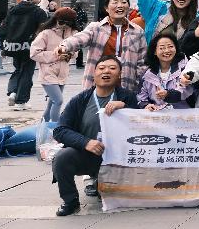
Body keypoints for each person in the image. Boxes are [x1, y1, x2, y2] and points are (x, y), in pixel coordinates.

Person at [52, 56, 153, 216]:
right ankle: (70, 201)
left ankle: (102, 184)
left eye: (112, 68)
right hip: (89, 154)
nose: (106, 71)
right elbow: (60, 130)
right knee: (62, 157)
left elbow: (144, 125)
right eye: (101, 68)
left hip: (119, 158)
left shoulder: (128, 97)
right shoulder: (80, 100)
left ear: (119, 75)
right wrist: (86, 142)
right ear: (94, 73)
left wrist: (126, 107)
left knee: (107, 195)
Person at [61, 0, 148, 94]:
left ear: (128, 7)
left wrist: (138, 86)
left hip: (125, 87)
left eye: (123, 2)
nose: (120, 5)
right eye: (115, 2)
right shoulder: (96, 28)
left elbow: (142, 62)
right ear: (106, 8)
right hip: (97, 86)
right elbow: (81, 38)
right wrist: (65, 45)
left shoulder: (137, 31)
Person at [0, 0, 49, 110]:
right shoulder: (38, 12)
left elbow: (4, 28)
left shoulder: (13, 10)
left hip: (13, 46)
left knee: (17, 69)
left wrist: (3, 46)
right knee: (27, 72)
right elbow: (45, 28)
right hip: (30, 46)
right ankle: (21, 101)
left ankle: (13, 92)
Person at [29, 7, 77, 121]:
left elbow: (76, 52)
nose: (64, 25)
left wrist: (70, 55)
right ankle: (56, 127)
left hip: (62, 73)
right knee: (58, 101)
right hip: (48, 73)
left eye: (68, 23)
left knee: (52, 103)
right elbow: (34, 53)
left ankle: (43, 126)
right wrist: (56, 55)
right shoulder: (46, 33)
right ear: (55, 19)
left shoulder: (73, 33)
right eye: (61, 22)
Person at [137, 33, 189, 110]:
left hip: (182, 114)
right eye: (162, 48)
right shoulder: (147, 75)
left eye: (170, 46)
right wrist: (146, 105)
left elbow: (186, 91)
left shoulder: (185, 68)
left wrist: (168, 94)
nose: (167, 50)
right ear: (155, 51)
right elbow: (141, 98)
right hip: (158, 115)